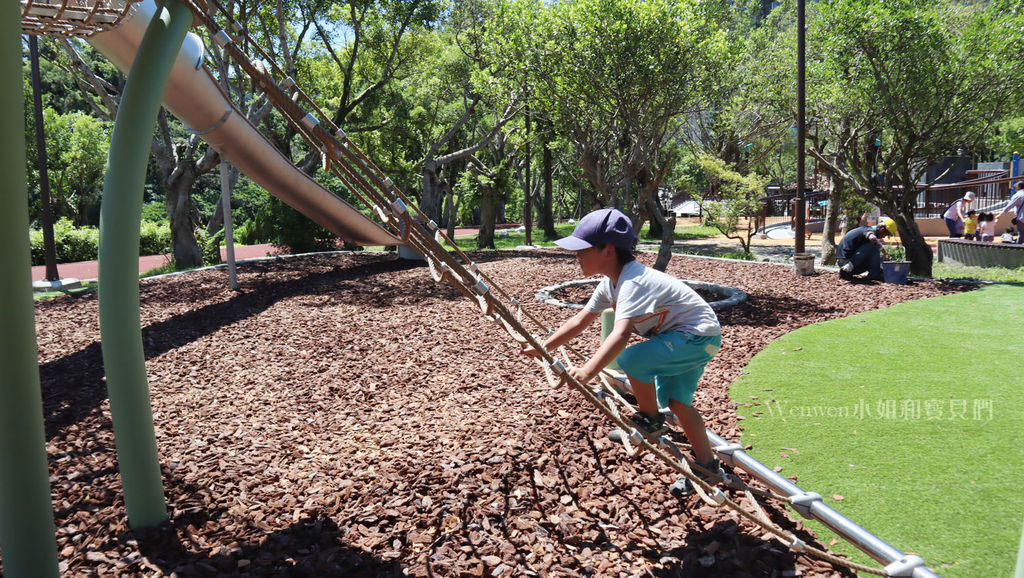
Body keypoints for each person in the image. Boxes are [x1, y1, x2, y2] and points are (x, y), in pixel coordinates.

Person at [520, 208, 723, 498]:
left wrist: (588, 371)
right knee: (678, 403)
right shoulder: (611, 283)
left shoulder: (633, 281)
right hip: (689, 338)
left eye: (583, 250)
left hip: (696, 336)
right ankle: (708, 466)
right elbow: (579, 321)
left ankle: (650, 420)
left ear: (608, 250)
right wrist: (543, 348)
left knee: (631, 359)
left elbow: (622, 333)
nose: (577, 256)